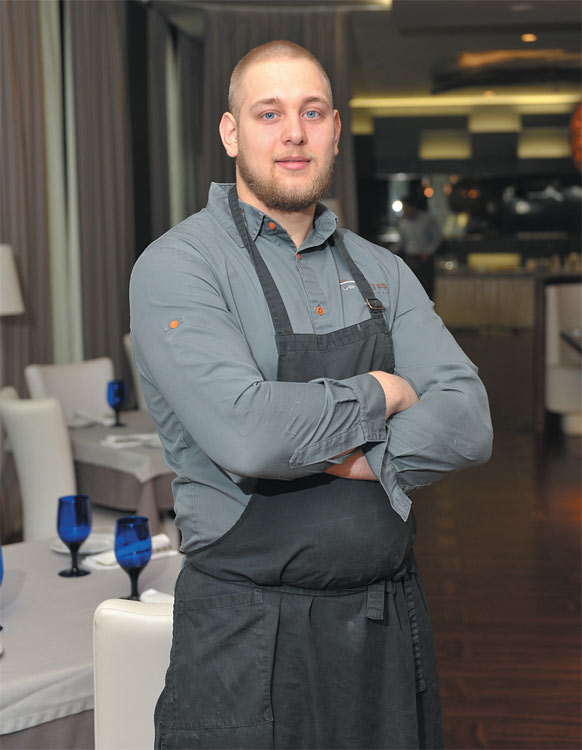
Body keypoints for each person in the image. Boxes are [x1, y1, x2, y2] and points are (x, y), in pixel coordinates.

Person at [130, 40, 492, 750]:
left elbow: (469, 421)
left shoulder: (384, 271)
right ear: (232, 133)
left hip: (387, 629)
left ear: (333, 129)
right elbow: (250, 435)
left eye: (312, 112)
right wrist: (380, 392)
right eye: (269, 113)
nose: (293, 132)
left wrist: (350, 458)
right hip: (245, 639)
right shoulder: (179, 266)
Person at [395, 195, 443, 298]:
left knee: (427, 290)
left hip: (425, 260)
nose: (404, 211)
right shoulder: (403, 222)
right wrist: (387, 253)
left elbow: (437, 239)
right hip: (409, 259)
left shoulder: (427, 219)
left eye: (406, 208)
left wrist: (428, 252)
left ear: (412, 207)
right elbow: (401, 243)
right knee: (410, 290)